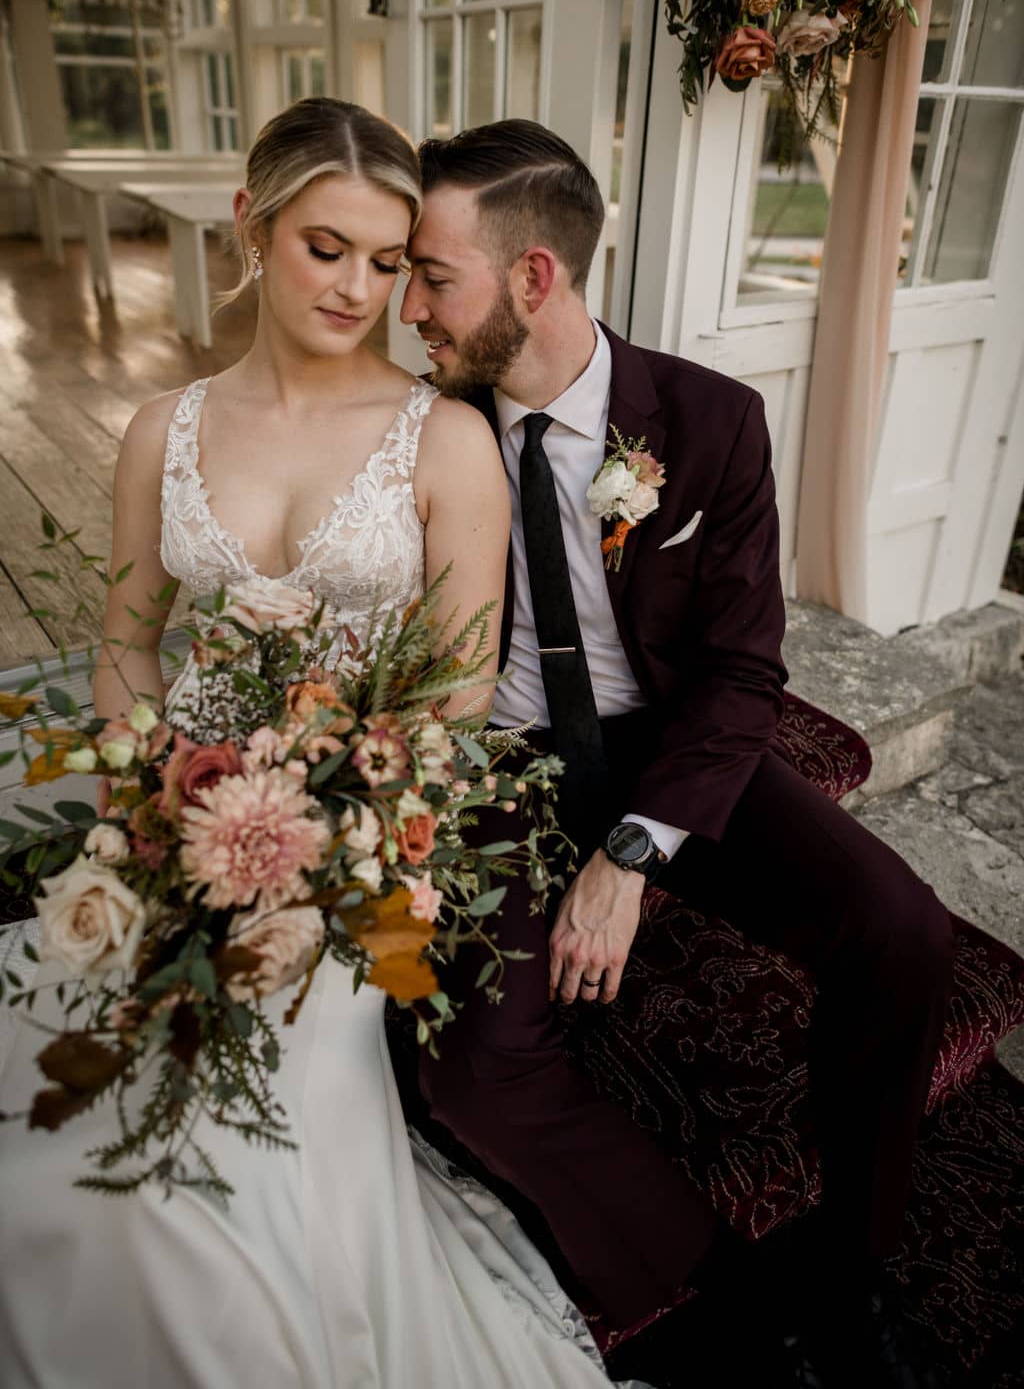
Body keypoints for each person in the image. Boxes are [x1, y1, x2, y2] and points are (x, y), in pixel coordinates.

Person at [0, 99, 644, 1389]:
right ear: (252, 227)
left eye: (389, 260)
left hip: (360, 848)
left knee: (209, 1169)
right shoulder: (157, 431)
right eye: (325, 247)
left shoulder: (444, 436)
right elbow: (129, 644)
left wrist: (329, 841)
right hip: (168, 815)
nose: (360, 286)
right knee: (61, 1127)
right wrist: (148, 804)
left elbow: (455, 695)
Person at [399, 119, 955, 1389]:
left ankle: (853, 1275)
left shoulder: (708, 423)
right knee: (472, 1071)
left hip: (667, 746)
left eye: (433, 275)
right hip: (493, 760)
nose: (409, 305)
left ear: (532, 276)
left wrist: (632, 854)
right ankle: (732, 1294)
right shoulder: (423, 432)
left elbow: (742, 670)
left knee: (904, 931)